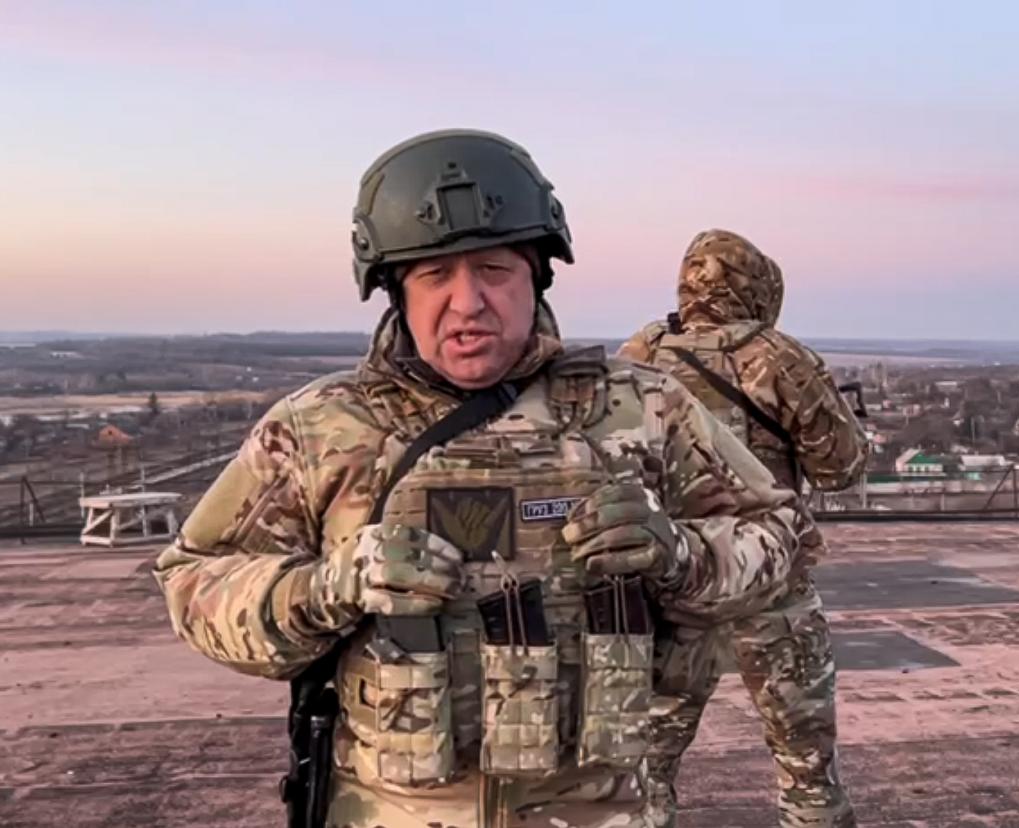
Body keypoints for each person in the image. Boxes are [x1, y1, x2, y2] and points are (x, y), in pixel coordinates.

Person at [153, 132, 815, 828]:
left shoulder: (642, 409)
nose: (468, 301)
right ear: (395, 292)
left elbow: (778, 536)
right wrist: (327, 588)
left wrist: (678, 554)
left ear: (537, 276)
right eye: (435, 275)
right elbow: (194, 584)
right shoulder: (322, 428)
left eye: (494, 270)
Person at [619, 228, 869, 828]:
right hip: (769, 589)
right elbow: (840, 467)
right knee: (808, 773)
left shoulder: (640, 355)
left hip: (671, 591)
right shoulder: (778, 357)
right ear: (754, 287)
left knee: (640, 781)